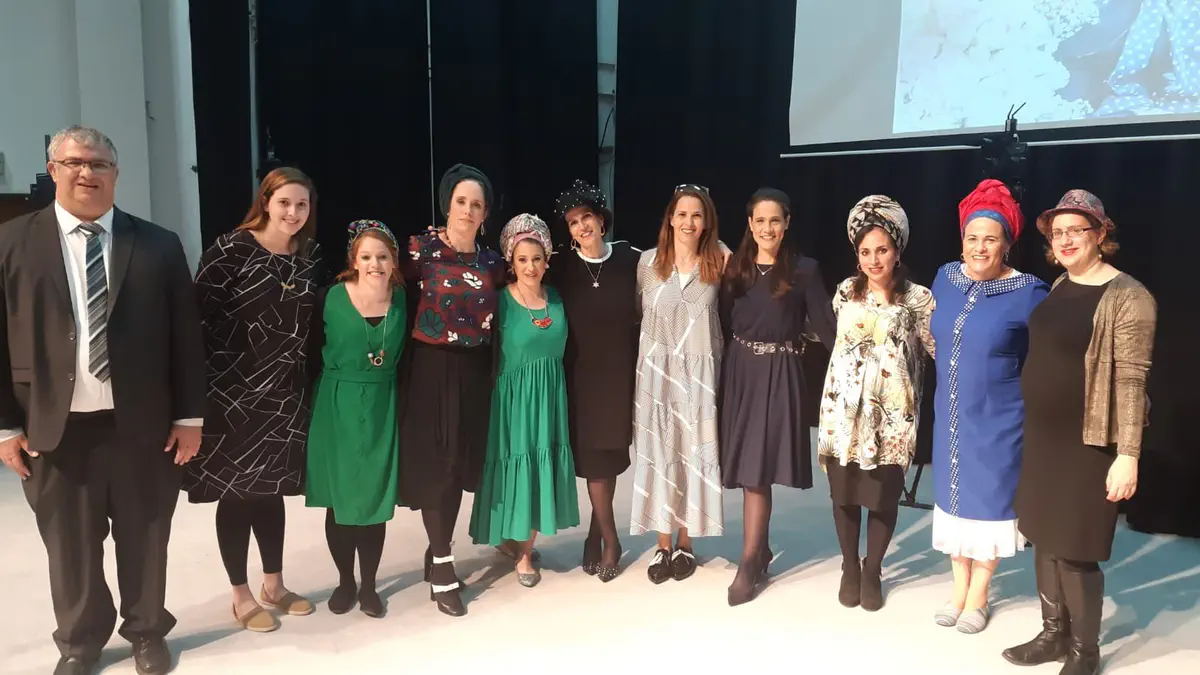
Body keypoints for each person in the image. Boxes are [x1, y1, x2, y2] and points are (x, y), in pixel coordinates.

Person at [0, 125, 205, 675]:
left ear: (116, 174)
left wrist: (189, 416)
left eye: (98, 164)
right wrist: (4, 427)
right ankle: (79, 642)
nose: (86, 172)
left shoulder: (158, 244)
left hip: (141, 426)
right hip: (54, 429)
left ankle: (146, 633)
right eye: (74, 163)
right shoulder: (12, 243)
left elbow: (186, 336)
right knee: (70, 548)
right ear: (53, 170)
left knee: (146, 537)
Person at [1004, 190, 1155, 675]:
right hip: (1043, 439)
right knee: (1043, 535)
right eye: (1058, 232)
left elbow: (1132, 382)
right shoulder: (1060, 285)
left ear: (1101, 233)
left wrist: (1128, 455)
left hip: (1088, 445)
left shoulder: (1129, 297)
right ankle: (1053, 634)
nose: (1065, 240)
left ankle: (1084, 653)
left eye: (1077, 230)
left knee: (1075, 550)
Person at [184, 167, 323, 632]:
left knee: (270, 491)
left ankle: (274, 585)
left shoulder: (307, 257)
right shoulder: (232, 250)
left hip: (284, 397)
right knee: (236, 494)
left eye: (301, 204)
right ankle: (240, 594)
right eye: (284, 202)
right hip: (232, 397)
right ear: (266, 202)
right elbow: (195, 322)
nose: (293, 213)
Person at [929, 179, 1049, 634]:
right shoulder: (946, 277)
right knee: (953, 497)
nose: (979, 247)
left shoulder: (1029, 292)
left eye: (990, 239)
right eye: (972, 237)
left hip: (1000, 417)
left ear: (1006, 244)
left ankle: (979, 593)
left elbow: (1046, 354)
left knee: (991, 500)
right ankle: (958, 586)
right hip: (950, 414)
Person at [718, 187, 836, 605]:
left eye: (775, 220)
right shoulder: (735, 268)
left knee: (758, 469)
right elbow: (722, 320)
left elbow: (827, 327)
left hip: (780, 371)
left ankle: (749, 560)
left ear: (786, 223)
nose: (767, 228)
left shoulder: (804, 270)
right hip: (741, 372)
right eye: (760, 221)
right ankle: (760, 549)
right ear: (750, 224)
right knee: (751, 468)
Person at [817, 195, 935, 612]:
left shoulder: (918, 299)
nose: (873, 259)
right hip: (843, 415)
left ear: (897, 251)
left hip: (893, 418)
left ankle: (873, 569)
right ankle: (850, 566)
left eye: (882, 250)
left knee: (883, 497)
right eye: (865, 252)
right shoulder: (845, 292)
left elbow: (935, 348)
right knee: (845, 494)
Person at [399, 164, 506, 617]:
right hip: (431, 367)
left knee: (461, 465)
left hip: (474, 370)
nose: (467, 210)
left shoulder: (492, 263)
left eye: (476, 204)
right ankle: (442, 564)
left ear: (485, 214)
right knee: (438, 466)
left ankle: (437, 545)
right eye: (461, 201)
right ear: (447, 204)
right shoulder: (419, 250)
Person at [468, 214, 580, 586]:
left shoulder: (558, 299)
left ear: (547, 260)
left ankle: (526, 552)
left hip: (549, 399)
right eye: (522, 260)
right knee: (514, 468)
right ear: (511, 263)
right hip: (511, 403)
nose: (530, 267)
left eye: (536, 259)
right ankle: (509, 539)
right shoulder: (500, 302)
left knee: (536, 468)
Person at [306, 220, 407, 619]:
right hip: (337, 405)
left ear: (393, 261)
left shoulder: (403, 299)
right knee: (340, 500)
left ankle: (368, 585)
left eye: (382, 256)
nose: (374, 264)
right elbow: (311, 352)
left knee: (374, 500)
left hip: (383, 403)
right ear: (354, 260)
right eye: (366, 256)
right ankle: (345, 581)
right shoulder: (329, 298)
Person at [631, 184, 729, 583]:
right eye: (683, 214)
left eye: (697, 215)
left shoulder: (718, 262)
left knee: (692, 454)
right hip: (656, 376)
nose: (689, 222)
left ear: (706, 222)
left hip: (700, 377)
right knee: (660, 452)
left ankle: (686, 542)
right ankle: (662, 543)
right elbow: (638, 312)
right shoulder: (647, 263)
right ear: (670, 218)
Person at [548, 179, 640, 582]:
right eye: (573, 222)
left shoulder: (631, 259)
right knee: (594, 463)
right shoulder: (562, 267)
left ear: (602, 220)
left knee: (609, 458)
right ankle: (610, 540)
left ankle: (595, 533)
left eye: (586, 217)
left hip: (620, 374)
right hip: (580, 377)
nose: (581, 226)